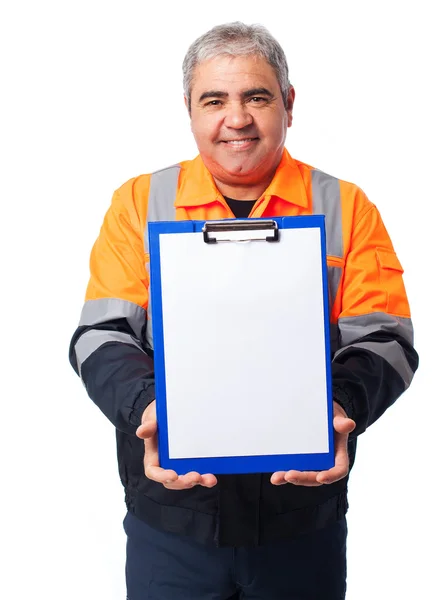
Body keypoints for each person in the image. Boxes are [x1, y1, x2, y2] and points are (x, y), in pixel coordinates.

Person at [69, 21, 418, 600]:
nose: (237, 118)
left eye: (256, 97)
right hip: (172, 520)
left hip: (301, 517)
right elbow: (101, 337)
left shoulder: (344, 206)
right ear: (190, 109)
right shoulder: (140, 203)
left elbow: (386, 339)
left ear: (288, 104)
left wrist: (339, 406)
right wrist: (147, 408)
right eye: (214, 100)